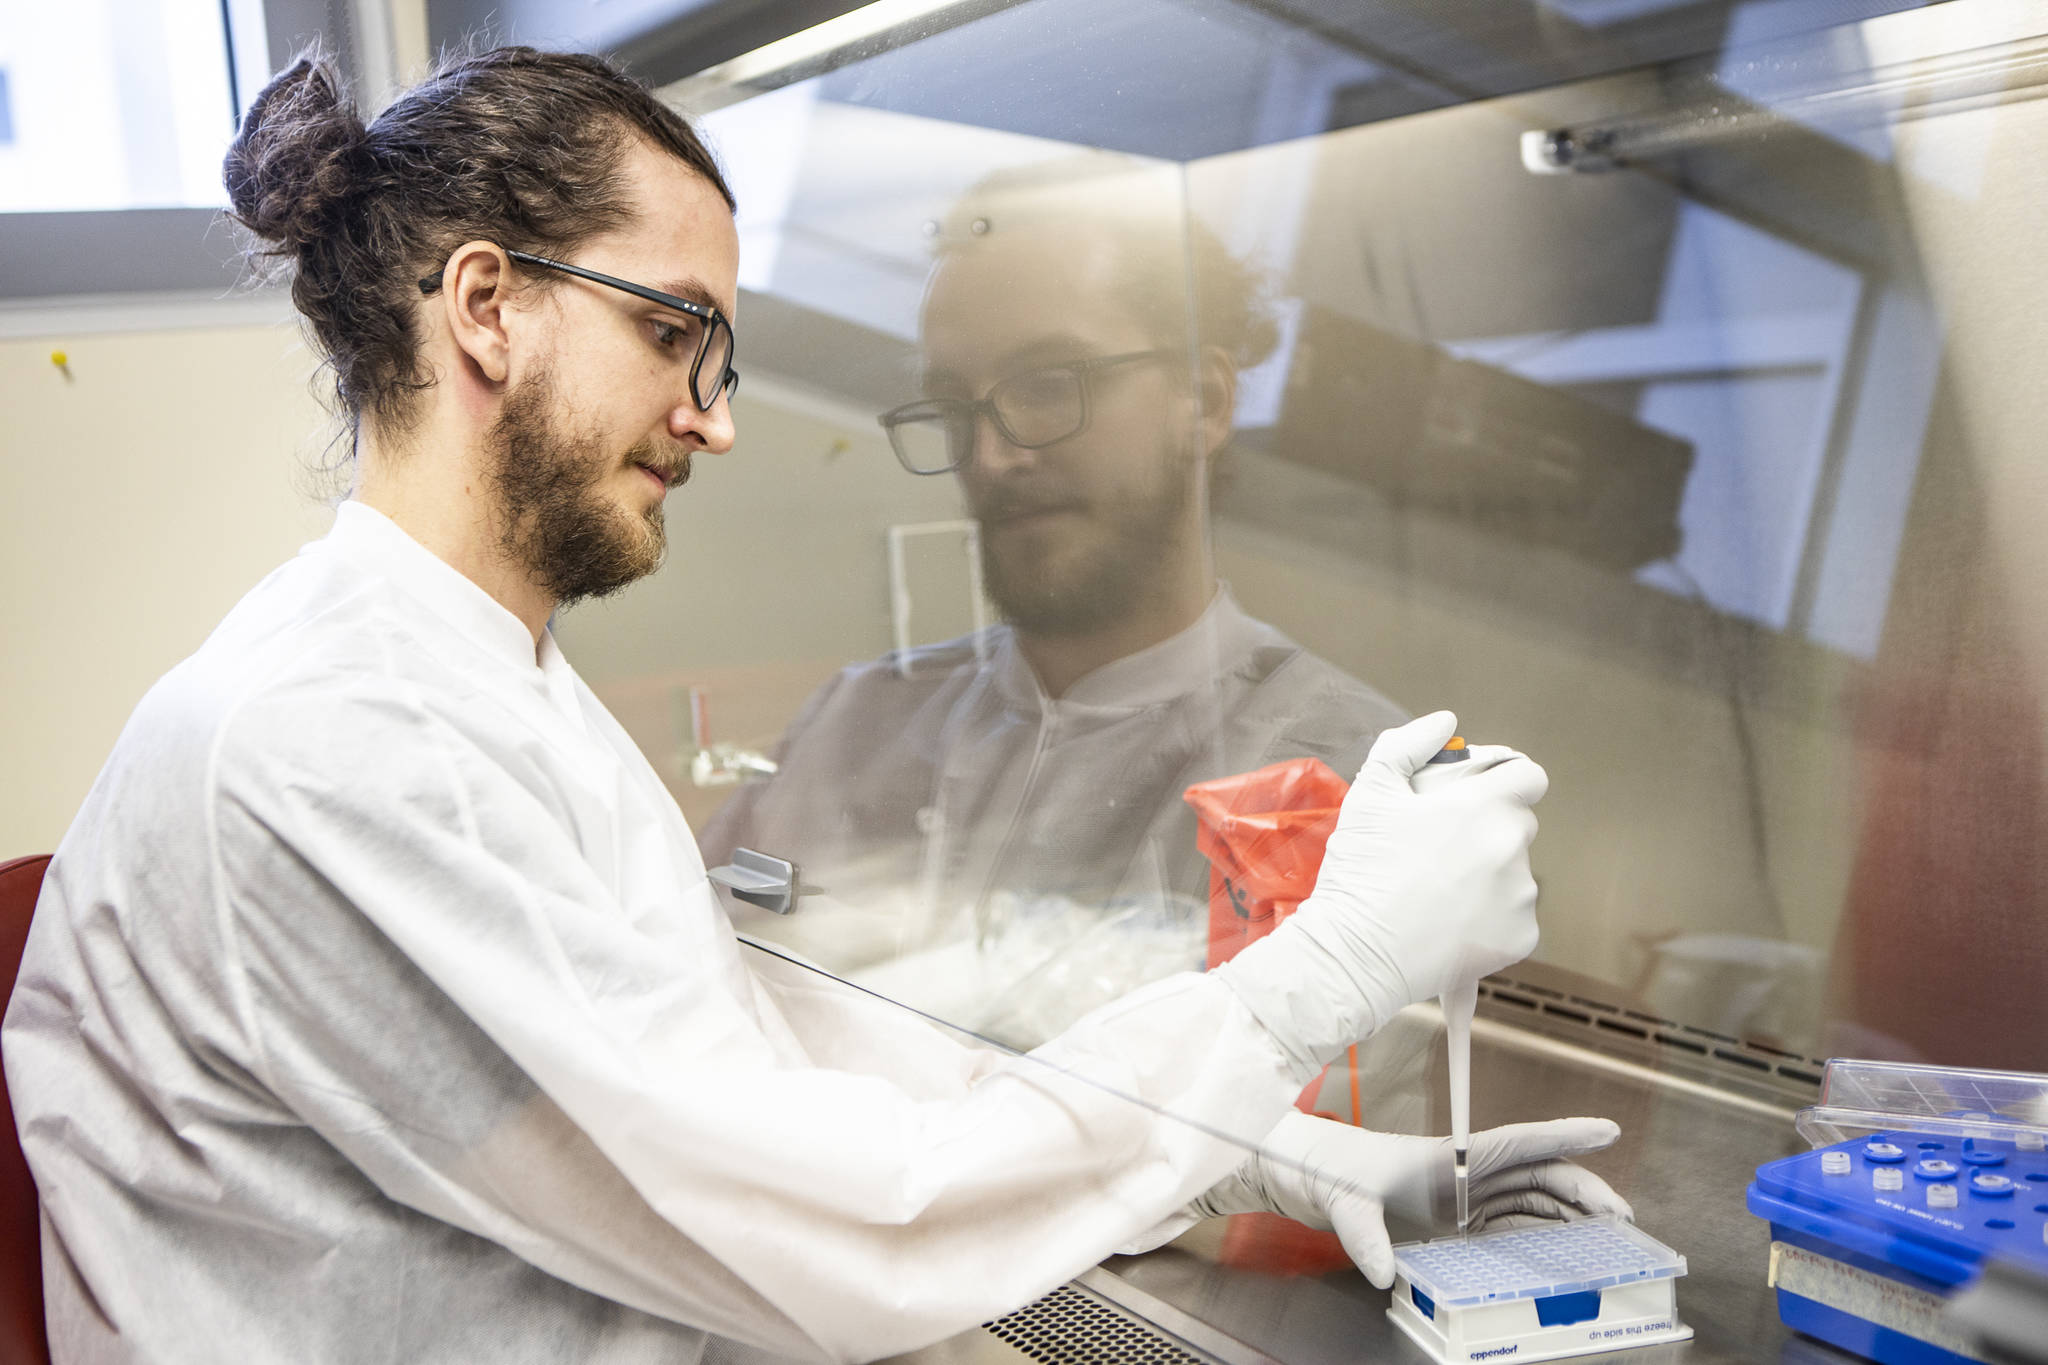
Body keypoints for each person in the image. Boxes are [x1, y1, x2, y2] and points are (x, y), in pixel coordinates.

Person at [2, 48, 1626, 1364]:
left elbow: (733, 1051)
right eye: (673, 336)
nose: (712, 423)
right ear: (484, 305)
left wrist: (1264, 1145)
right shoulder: (332, 745)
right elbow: (850, 1225)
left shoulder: (467, 683)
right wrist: (1314, 983)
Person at [701, 167, 1407, 1043]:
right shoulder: (857, 724)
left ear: (1206, 400)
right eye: (956, 405)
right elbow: (707, 961)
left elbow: (1303, 1128)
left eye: (1046, 385)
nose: (991, 456)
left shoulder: (1347, 771)